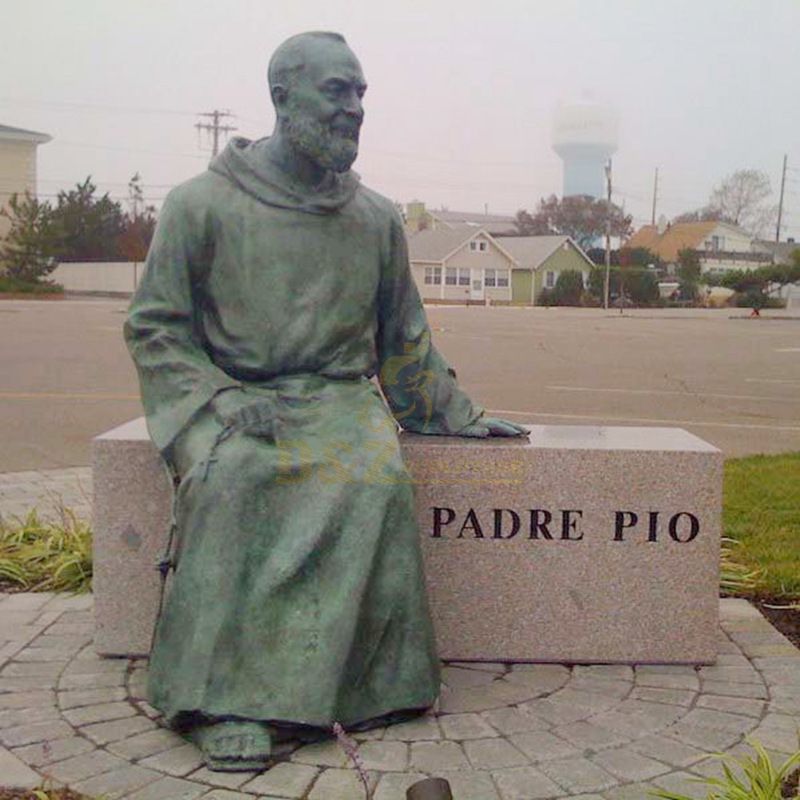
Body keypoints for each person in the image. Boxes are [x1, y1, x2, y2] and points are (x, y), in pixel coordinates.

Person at [125, 30, 526, 772]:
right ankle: (222, 699)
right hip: (237, 399)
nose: (354, 110)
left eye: (360, 94)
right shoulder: (200, 205)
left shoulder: (374, 218)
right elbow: (155, 327)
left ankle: (367, 685)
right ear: (282, 98)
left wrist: (454, 413)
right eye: (336, 92)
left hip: (339, 400)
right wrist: (213, 401)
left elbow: (404, 336)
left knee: (375, 479)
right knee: (238, 478)